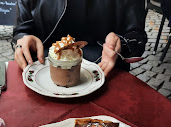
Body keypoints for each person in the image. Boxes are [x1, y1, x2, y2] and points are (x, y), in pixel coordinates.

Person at [12, 0, 147, 76]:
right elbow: (22, 29)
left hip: (104, 72)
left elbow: (137, 37)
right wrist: (23, 39)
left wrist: (120, 43)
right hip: (42, 72)